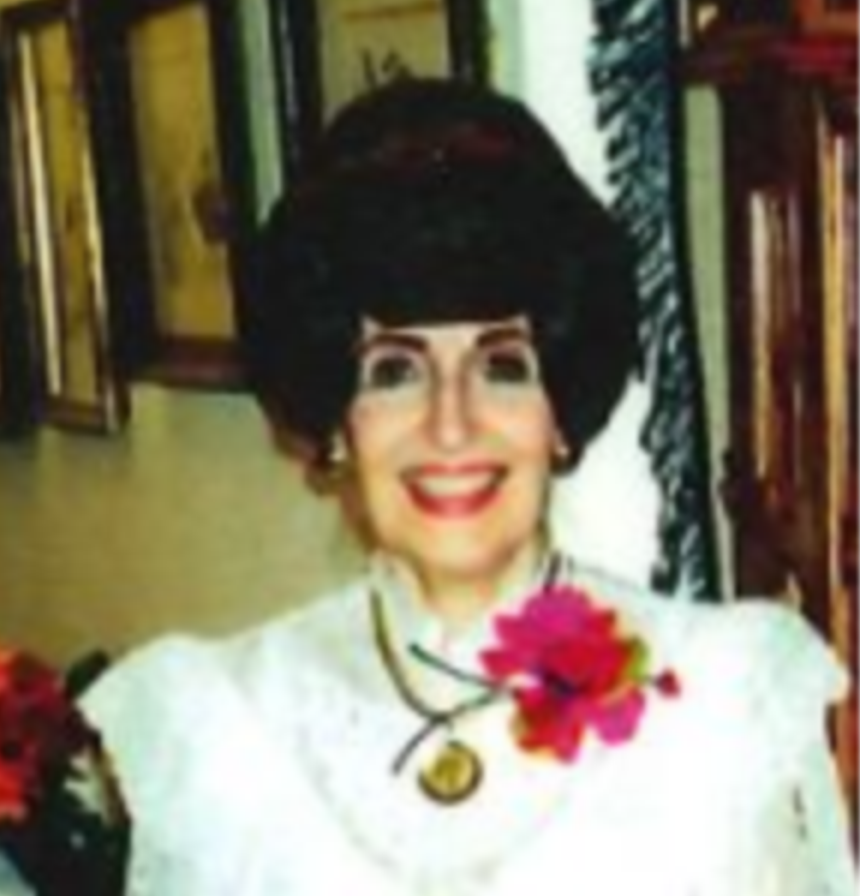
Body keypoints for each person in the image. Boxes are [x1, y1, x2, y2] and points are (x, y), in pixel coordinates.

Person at [83, 78, 858, 896]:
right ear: (338, 424)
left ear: (560, 413)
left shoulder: (720, 702)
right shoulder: (224, 729)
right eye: (395, 371)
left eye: (502, 366)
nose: (451, 426)